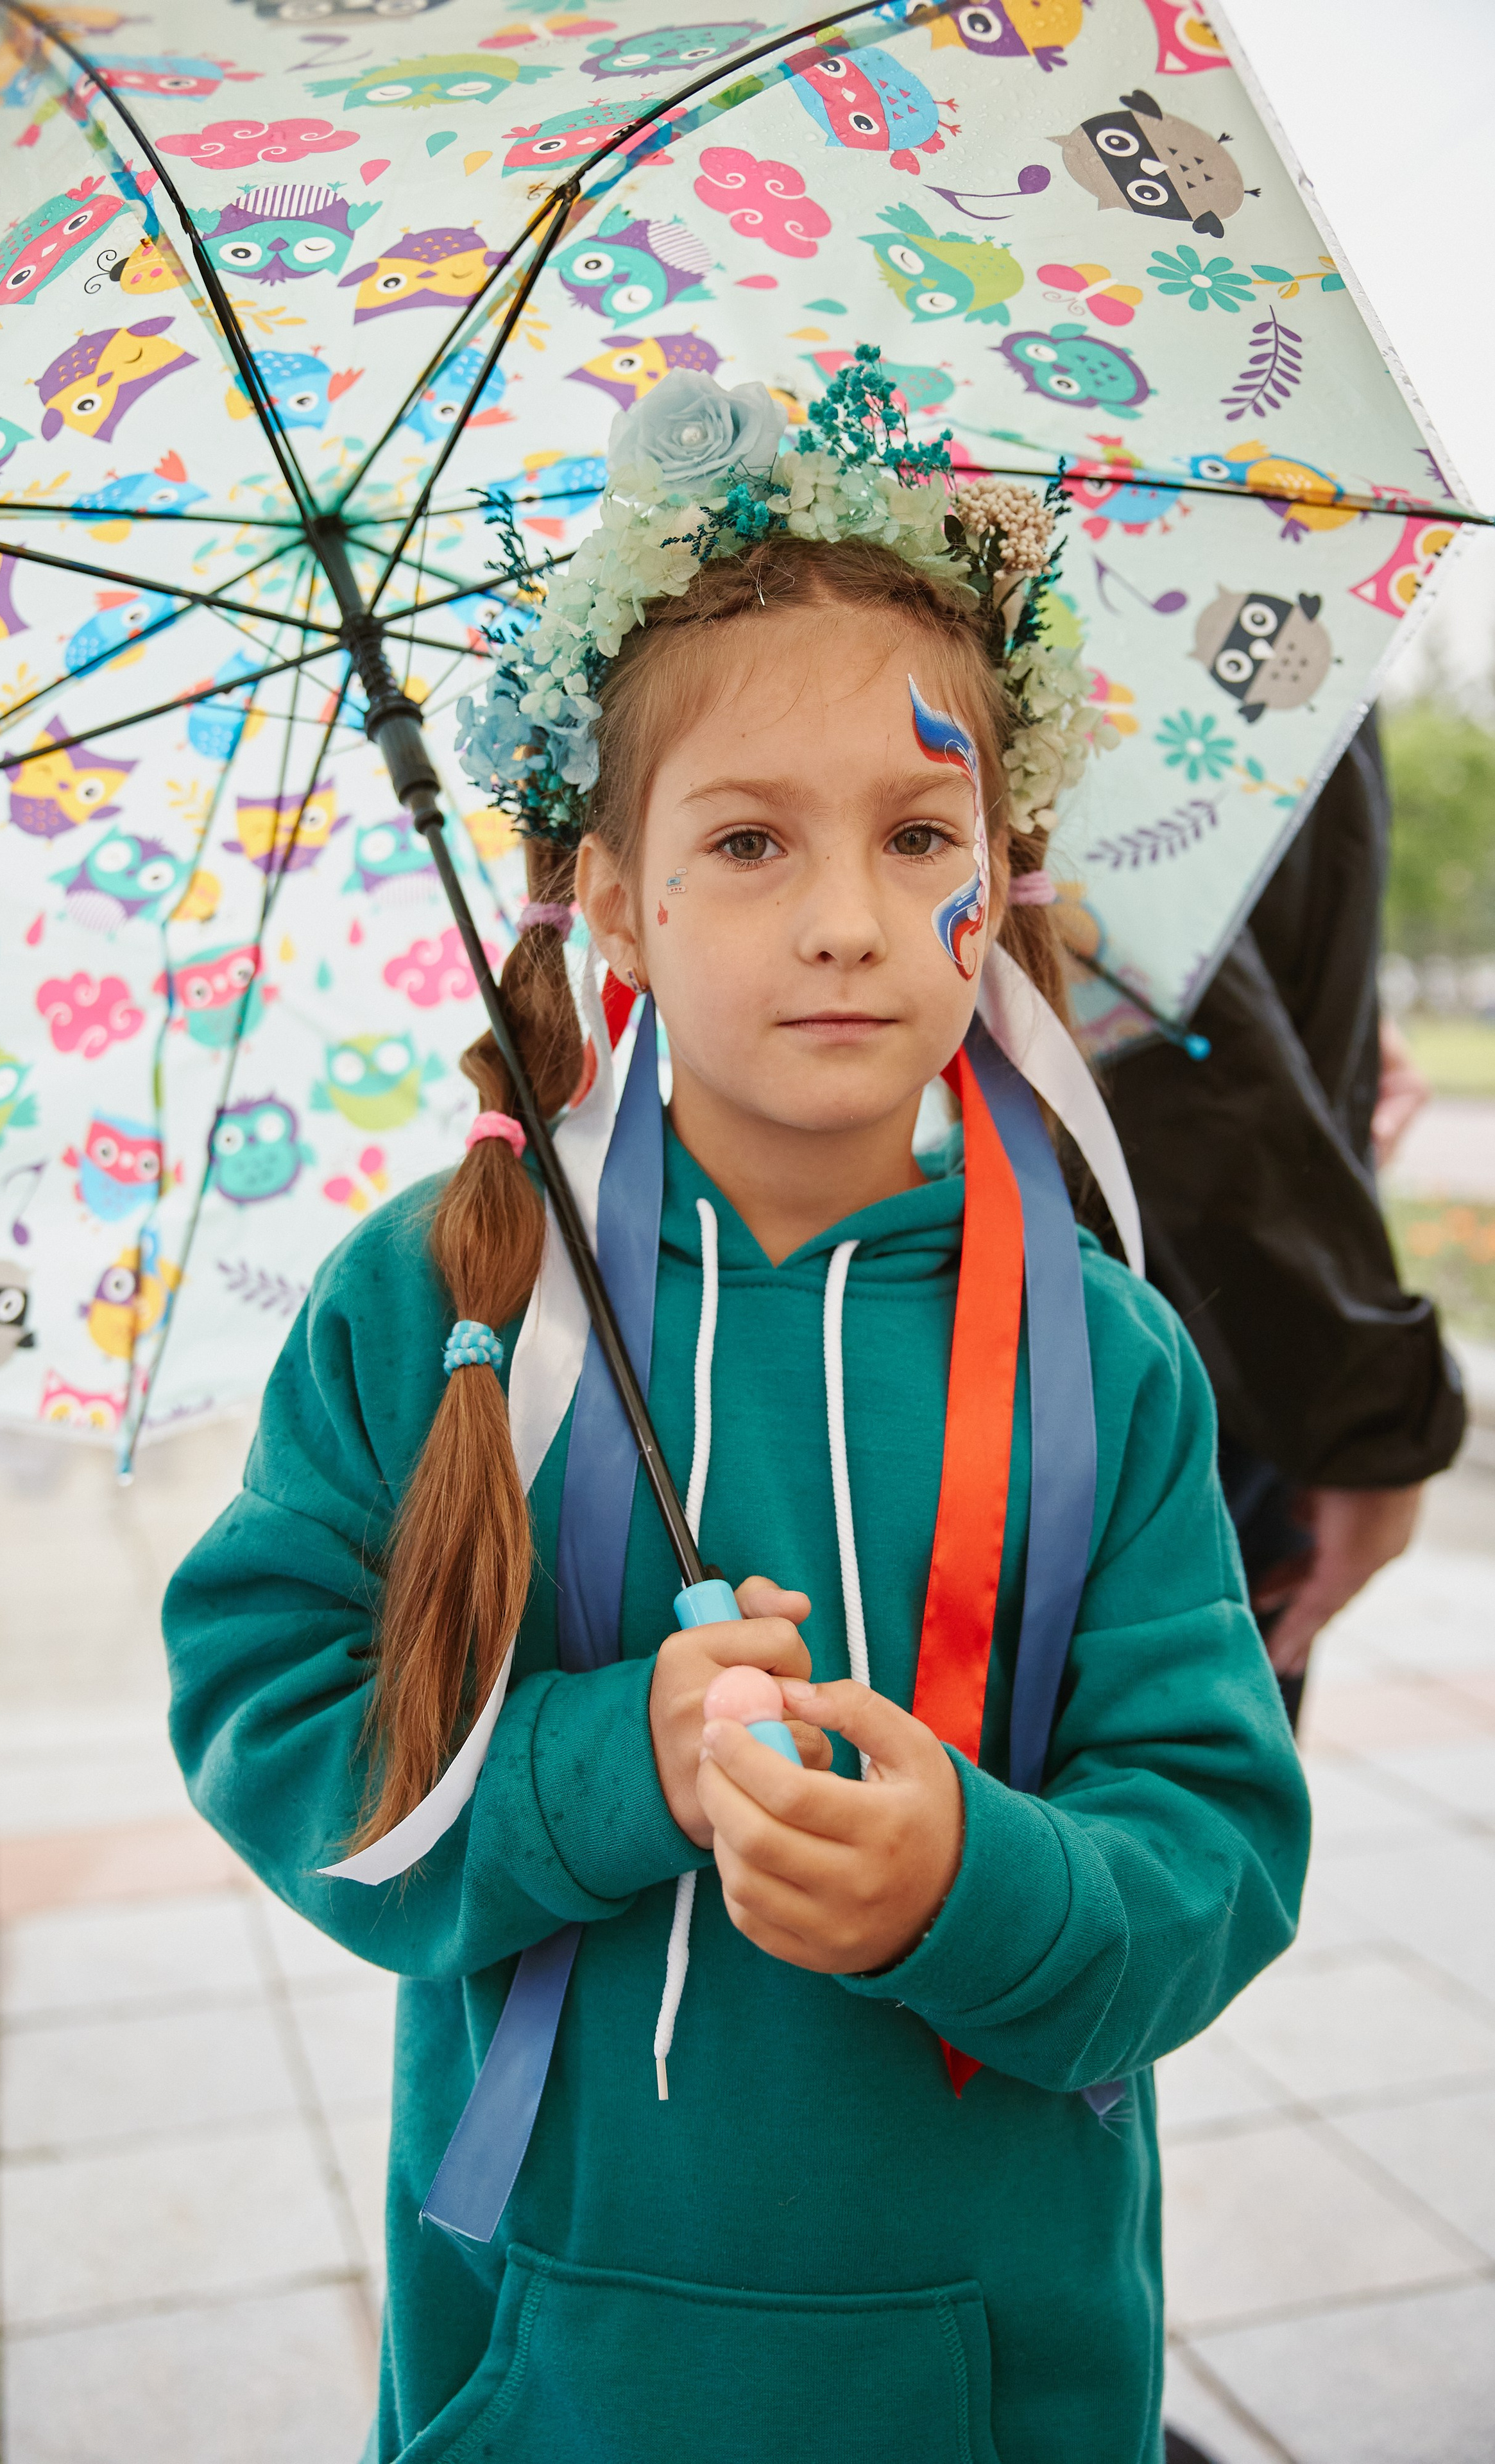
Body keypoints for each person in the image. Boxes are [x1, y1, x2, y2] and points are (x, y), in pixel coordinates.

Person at [163, 361, 1310, 2464]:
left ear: (1006, 865)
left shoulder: (1110, 1363)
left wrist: (975, 1876)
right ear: (609, 892)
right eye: (752, 840)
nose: (853, 919)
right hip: (552, 2374)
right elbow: (272, 1724)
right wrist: (619, 1764)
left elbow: (1221, 1850)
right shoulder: (434, 1303)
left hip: (991, 2371)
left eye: (920, 834)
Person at [1101, 713, 1465, 1729]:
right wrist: (1363, 1418)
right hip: (1190, 1328)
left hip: (1212, 1317)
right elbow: (1170, 1025)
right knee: (1171, 1830)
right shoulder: (1114, 564)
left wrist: (1336, 1022)